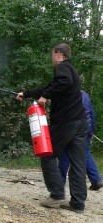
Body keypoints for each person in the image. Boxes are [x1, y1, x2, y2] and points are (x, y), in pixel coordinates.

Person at [16, 43, 88, 213]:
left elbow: (61, 84)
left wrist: (45, 97)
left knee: (47, 154)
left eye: (52, 54)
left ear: (59, 54)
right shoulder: (70, 69)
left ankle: (56, 195)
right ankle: (77, 203)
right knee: (78, 163)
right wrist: (26, 93)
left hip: (66, 122)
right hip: (80, 123)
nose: (51, 58)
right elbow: (47, 88)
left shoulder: (62, 68)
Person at [59, 90, 103, 190]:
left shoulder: (65, 94)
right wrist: (91, 131)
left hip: (70, 128)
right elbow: (92, 114)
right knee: (85, 153)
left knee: (64, 154)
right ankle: (96, 179)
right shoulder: (85, 95)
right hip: (85, 128)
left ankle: (59, 184)